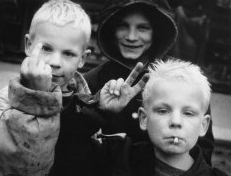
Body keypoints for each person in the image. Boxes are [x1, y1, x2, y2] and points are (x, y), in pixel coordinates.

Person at [0, 0, 148, 176]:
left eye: (68, 53)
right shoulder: (8, 100)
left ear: (83, 59)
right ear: (29, 46)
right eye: (46, 48)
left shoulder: (84, 97)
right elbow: (11, 169)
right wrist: (35, 97)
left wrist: (99, 111)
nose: (55, 62)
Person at [84, 0, 214, 164]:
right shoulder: (93, 81)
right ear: (110, 29)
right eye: (123, 26)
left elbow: (202, 154)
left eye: (143, 28)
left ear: (156, 32)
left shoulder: (184, 78)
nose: (131, 37)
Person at [98, 59, 229, 176]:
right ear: (144, 118)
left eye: (188, 113)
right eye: (163, 111)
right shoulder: (118, 157)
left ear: (203, 125)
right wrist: (101, 112)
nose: (176, 122)